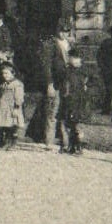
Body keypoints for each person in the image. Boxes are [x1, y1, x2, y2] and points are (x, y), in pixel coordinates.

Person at [41, 23, 70, 151]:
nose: (64, 33)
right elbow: (47, 66)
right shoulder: (50, 45)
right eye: (62, 31)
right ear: (58, 31)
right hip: (56, 83)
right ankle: (49, 141)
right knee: (52, 112)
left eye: (67, 31)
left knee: (67, 112)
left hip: (68, 84)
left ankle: (66, 141)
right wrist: (49, 83)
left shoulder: (70, 44)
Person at [0, 59, 25, 149]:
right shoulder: (3, 84)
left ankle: (12, 143)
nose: (5, 76)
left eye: (7, 73)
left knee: (12, 126)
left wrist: (17, 107)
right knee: (2, 125)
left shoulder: (17, 84)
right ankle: (2, 142)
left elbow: (19, 97)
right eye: (3, 73)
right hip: (3, 108)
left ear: (13, 73)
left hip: (11, 107)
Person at [62, 52, 86, 154]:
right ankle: (71, 145)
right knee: (70, 124)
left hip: (81, 102)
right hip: (70, 101)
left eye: (77, 58)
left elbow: (93, 85)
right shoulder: (67, 71)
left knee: (78, 125)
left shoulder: (85, 72)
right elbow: (65, 85)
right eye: (73, 58)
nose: (75, 60)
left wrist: (87, 87)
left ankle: (79, 145)